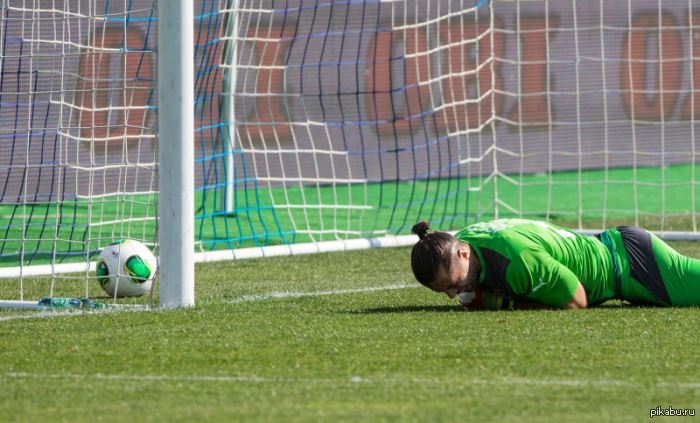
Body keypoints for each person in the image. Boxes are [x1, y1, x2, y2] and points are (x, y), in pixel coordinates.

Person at [410, 218, 700, 310]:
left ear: (462, 253)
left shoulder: (518, 263)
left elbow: (577, 299)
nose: (453, 294)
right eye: (444, 291)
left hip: (633, 266)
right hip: (613, 248)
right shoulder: (463, 240)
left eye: (453, 283)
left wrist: (502, 303)